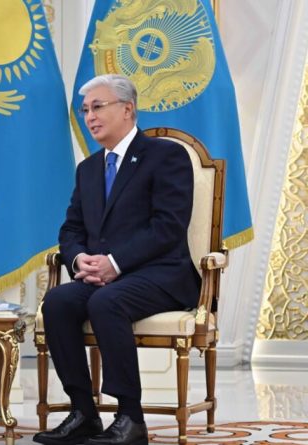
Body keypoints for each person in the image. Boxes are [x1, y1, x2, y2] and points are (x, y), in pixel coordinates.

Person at [33, 74, 200, 445]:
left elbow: (168, 226)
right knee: (58, 301)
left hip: (160, 275)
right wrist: (79, 260)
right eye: (85, 110)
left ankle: (130, 418)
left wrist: (115, 262)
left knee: (107, 302)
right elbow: (71, 229)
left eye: (98, 107)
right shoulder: (89, 168)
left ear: (127, 109)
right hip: (105, 276)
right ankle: (83, 413)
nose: (90, 117)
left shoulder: (166, 156)